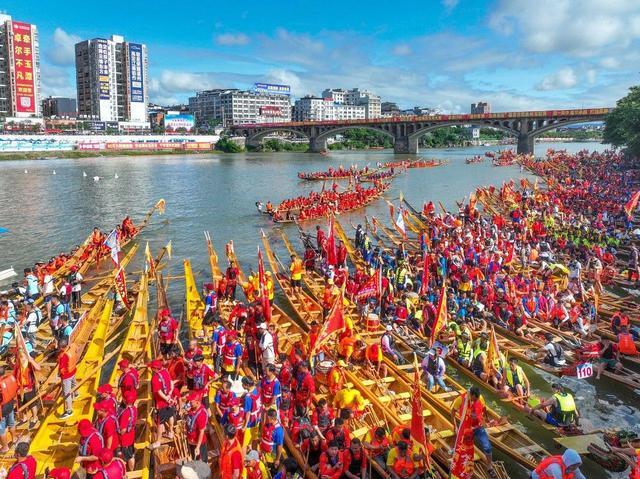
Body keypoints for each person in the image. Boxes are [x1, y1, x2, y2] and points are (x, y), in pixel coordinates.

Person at [450, 387, 495, 477]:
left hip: (478, 426)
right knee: (460, 447)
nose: (476, 401)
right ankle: (457, 463)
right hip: (466, 428)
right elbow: (452, 411)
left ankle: (489, 466)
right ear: (472, 395)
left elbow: (484, 408)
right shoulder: (460, 399)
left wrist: (486, 419)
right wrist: (455, 427)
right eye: (475, 399)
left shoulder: (480, 398)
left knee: (488, 447)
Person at [148, 359, 176, 449]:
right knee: (171, 415)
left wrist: (166, 399)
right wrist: (170, 394)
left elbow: (158, 391)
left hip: (161, 403)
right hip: (170, 398)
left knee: (160, 423)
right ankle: (171, 432)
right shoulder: (166, 371)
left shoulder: (155, 378)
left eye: (152, 368)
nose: (151, 369)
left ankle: (158, 442)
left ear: (155, 368)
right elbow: (171, 383)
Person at [185, 391, 208, 461]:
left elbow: (201, 432)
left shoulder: (201, 415)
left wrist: (198, 447)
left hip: (198, 442)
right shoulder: (193, 408)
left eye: (191, 402)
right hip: (191, 440)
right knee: (195, 459)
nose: (189, 403)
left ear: (197, 402)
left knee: (203, 461)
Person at [57, 338, 77, 419]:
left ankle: (69, 410)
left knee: (66, 393)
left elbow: (62, 368)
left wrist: (58, 375)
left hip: (66, 376)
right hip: (73, 371)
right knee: (74, 383)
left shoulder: (64, 356)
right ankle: (76, 393)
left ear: (61, 348)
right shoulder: (71, 348)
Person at [117, 390, 137, 470]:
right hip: (131, 435)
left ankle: (131, 471)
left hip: (125, 439)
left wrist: (117, 434)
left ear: (125, 400)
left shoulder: (125, 413)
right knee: (131, 453)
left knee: (129, 456)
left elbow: (123, 430)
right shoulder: (134, 409)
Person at [260, 409, 284, 474]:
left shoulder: (279, 431)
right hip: (263, 454)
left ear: (272, 419)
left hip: (271, 458)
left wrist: (277, 459)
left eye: (267, 417)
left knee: (271, 472)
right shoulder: (268, 424)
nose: (266, 419)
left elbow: (279, 446)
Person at [0, 366, 18, 453]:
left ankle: (5, 447)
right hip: (10, 406)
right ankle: (14, 439)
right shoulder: (8, 379)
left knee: (1, 430)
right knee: (11, 423)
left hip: (1, 410)